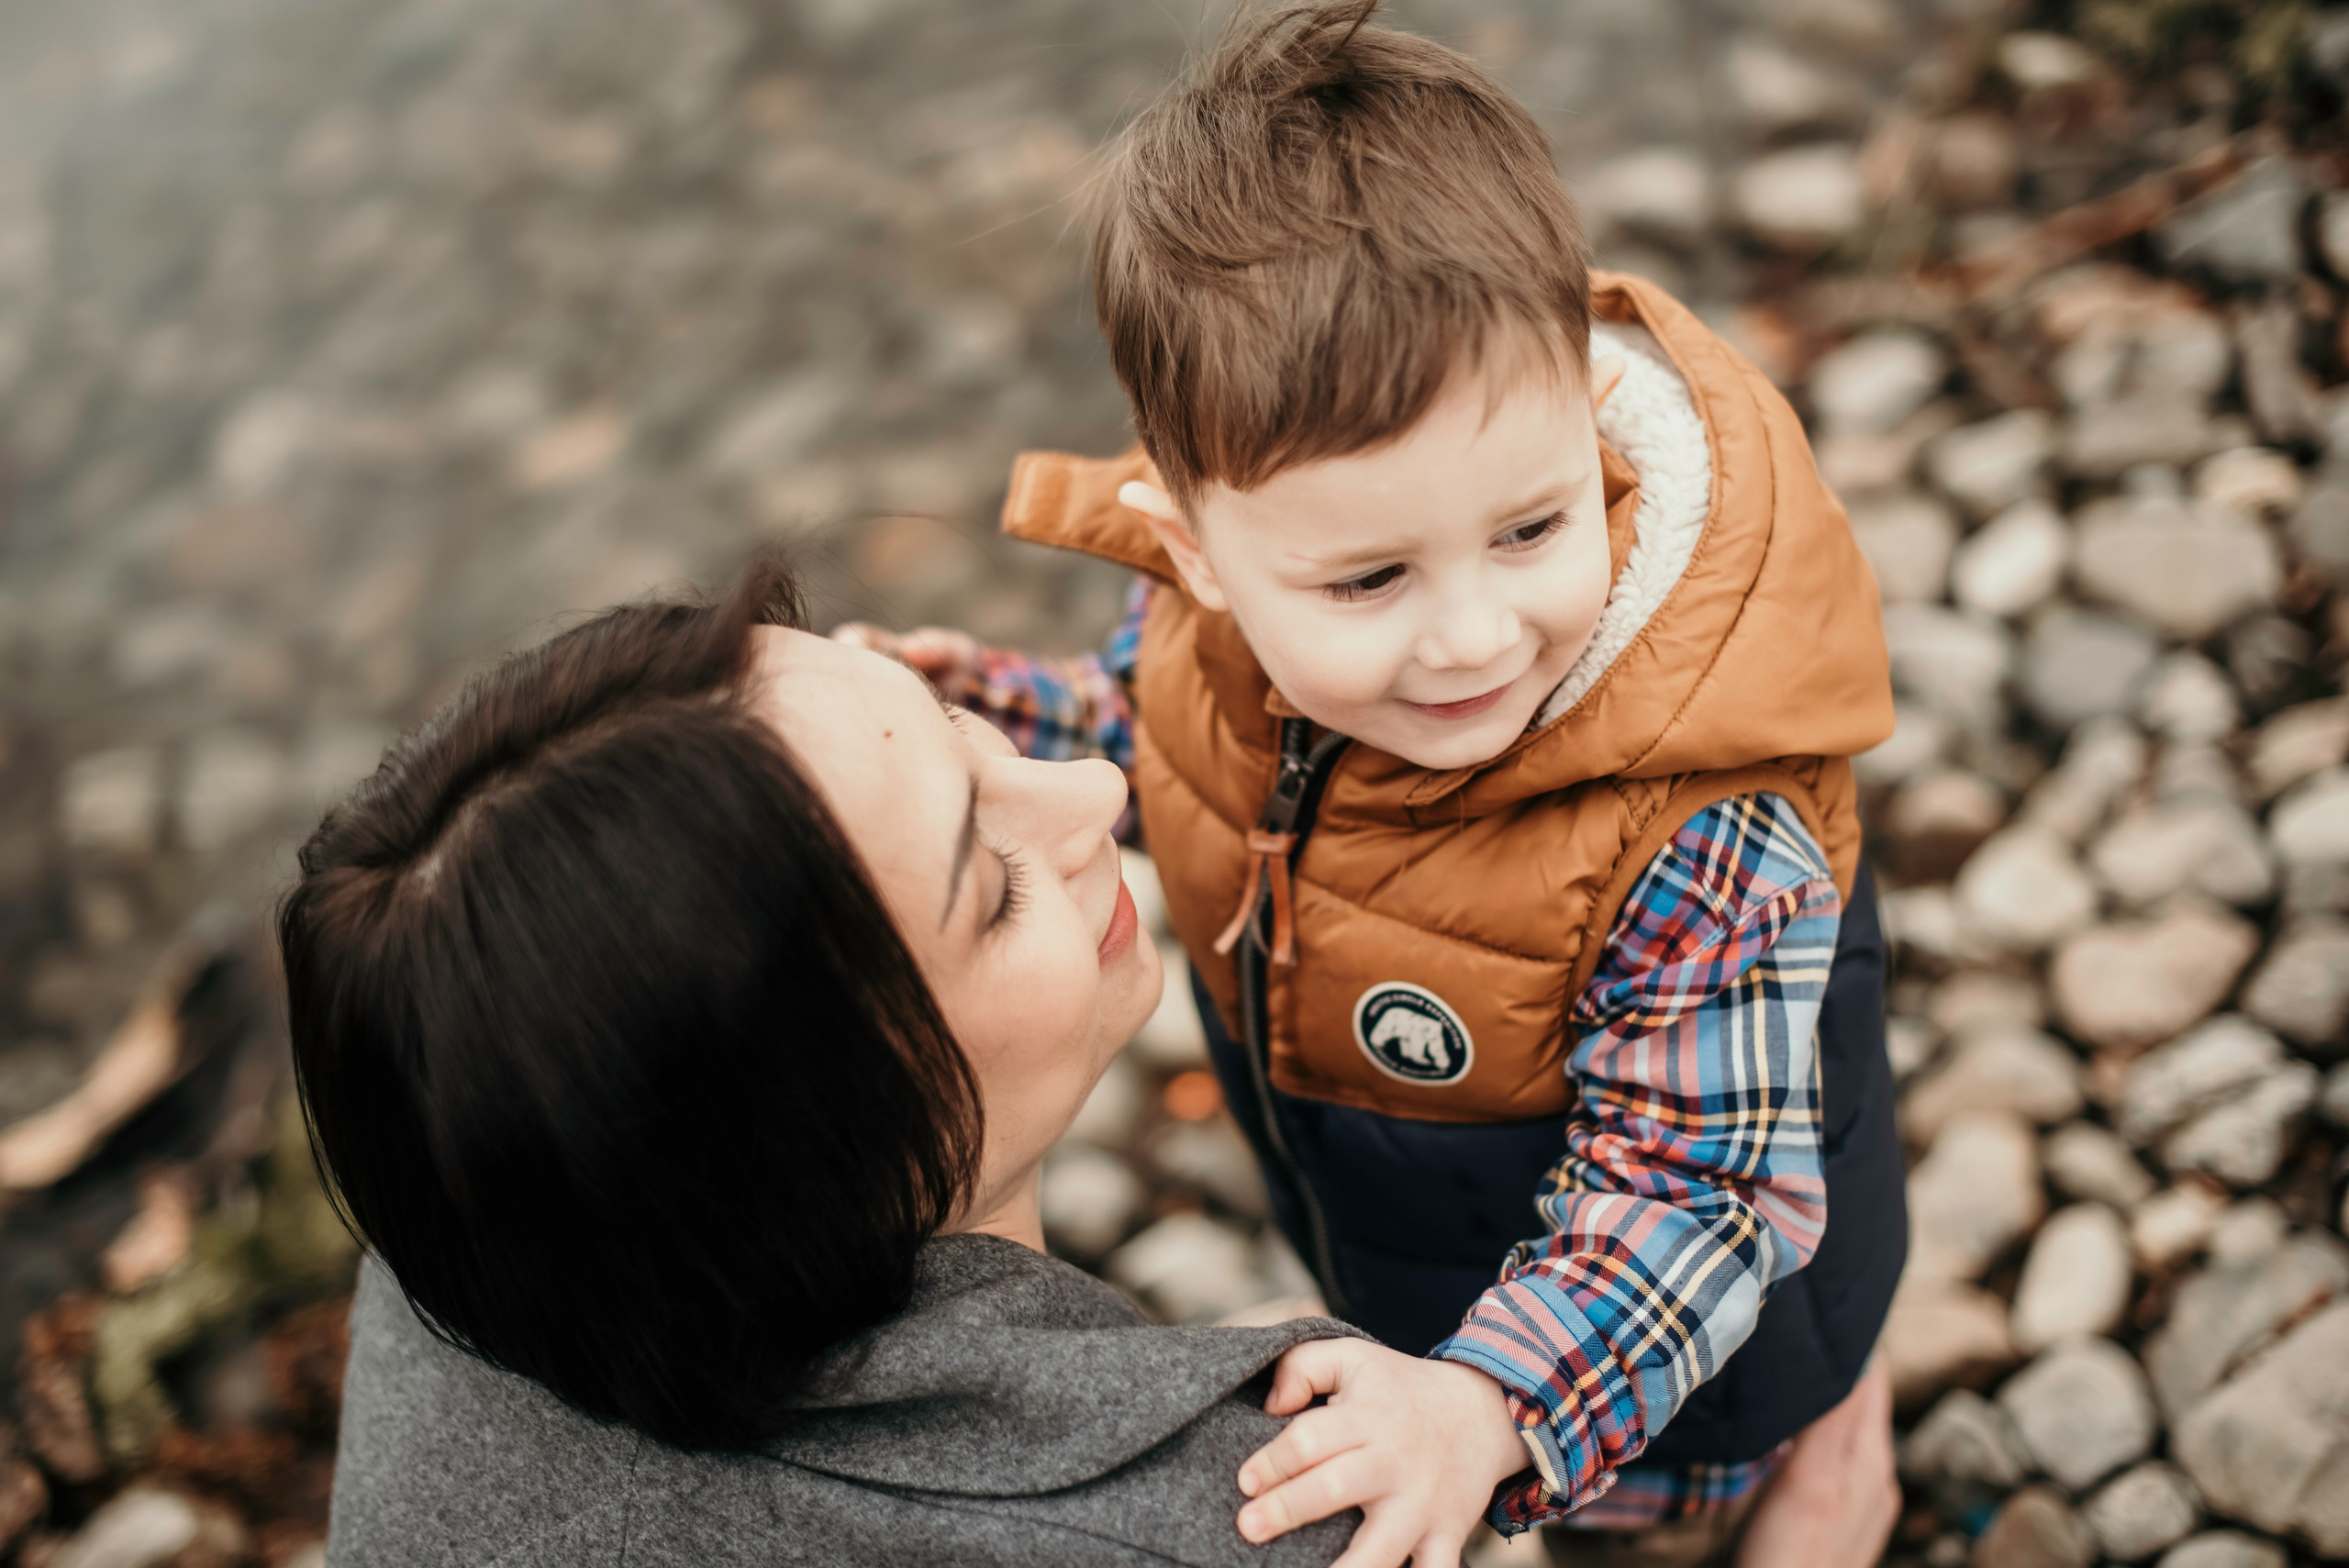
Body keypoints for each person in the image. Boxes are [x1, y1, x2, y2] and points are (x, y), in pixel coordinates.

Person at [835, 5, 1907, 1564]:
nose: (1474, 634)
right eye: (1371, 578)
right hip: (1410, 1201)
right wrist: (985, 719)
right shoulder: (1214, 620)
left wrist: (1485, 1405)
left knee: (1652, 1522)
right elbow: (1185, 743)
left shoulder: (1700, 829)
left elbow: (1705, 1187)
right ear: (1197, 551)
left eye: (1534, 528)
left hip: (1662, 1371)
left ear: (1587, 421)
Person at [282, 554, 1369, 1567]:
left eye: (952, 720)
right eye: (992, 891)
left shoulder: (472, 1173)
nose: (1093, 789)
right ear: (809, 1149)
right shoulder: (1244, 1520)